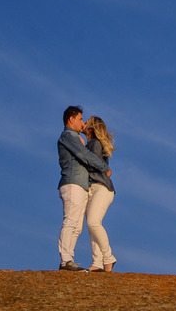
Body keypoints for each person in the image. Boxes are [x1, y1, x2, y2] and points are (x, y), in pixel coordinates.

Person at [57, 105, 110, 271]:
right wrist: (104, 168)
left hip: (80, 185)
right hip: (73, 183)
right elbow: (84, 155)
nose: (82, 123)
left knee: (77, 226)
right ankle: (66, 260)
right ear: (71, 119)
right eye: (80, 119)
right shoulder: (68, 136)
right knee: (71, 221)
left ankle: (68, 259)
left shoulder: (75, 138)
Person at [83, 116, 118, 272]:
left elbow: (95, 164)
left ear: (91, 128)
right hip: (93, 187)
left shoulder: (94, 144)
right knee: (92, 226)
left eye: (86, 122)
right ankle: (97, 262)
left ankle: (108, 257)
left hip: (101, 187)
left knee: (93, 222)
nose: (83, 124)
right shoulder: (91, 144)